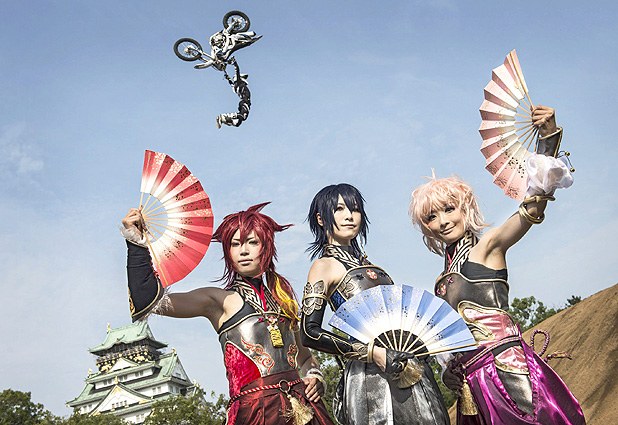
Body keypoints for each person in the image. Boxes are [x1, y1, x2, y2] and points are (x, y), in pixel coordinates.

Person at [408, 106, 585, 424]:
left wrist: (548, 137)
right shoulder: (440, 282)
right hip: (472, 390)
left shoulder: (489, 246)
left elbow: (532, 207)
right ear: (426, 227)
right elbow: (450, 342)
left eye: (449, 209)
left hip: (508, 372)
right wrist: (450, 372)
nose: (443, 221)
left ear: (465, 208)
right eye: (431, 216)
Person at [120, 203, 335, 425]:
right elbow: (149, 302)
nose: (243, 250)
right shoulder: (218, 300)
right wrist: (136, 242)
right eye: (235, 244)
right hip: (255, 414)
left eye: (252, 242)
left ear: (267, 247)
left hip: (303, 409)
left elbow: (305, 357)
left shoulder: (284, 299)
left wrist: (315, 376)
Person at [300, 183, 450, 425]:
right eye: (339, 209)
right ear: (320, 219)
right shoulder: (323, 266)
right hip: (369, 375)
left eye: (355, 209)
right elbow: (309, 332)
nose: (349, 216)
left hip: (407, 364)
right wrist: (373, 353)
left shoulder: (375, 268)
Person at [217, 58, 251, 128]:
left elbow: (231, 83)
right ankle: (225, 116)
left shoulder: (235, 87)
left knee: (239, 122)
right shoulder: (239, 82)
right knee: (242, 117)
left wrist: (228, 78)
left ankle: (226, 120)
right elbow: (237, 71)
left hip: (243, 102)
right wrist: (235, 63)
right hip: (245, 102)